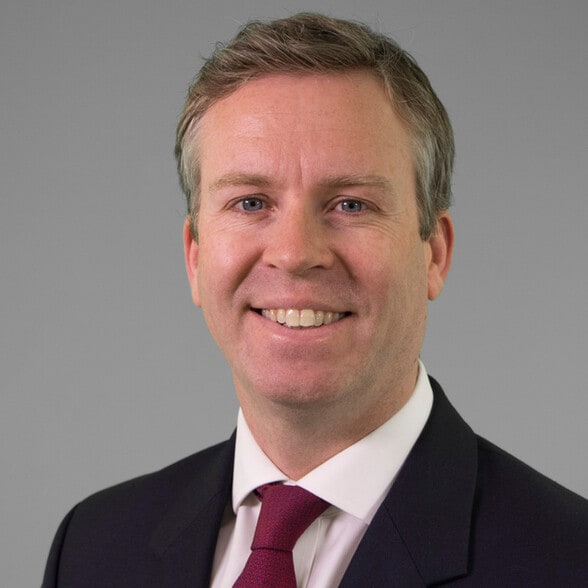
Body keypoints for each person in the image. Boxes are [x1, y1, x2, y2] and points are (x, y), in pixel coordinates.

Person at [42, 13, 588, 587]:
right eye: (251, 203)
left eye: (351, 204)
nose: (296, 253)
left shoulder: (568, 561)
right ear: (195, 257)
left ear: (434, 253)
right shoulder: (93, 548)